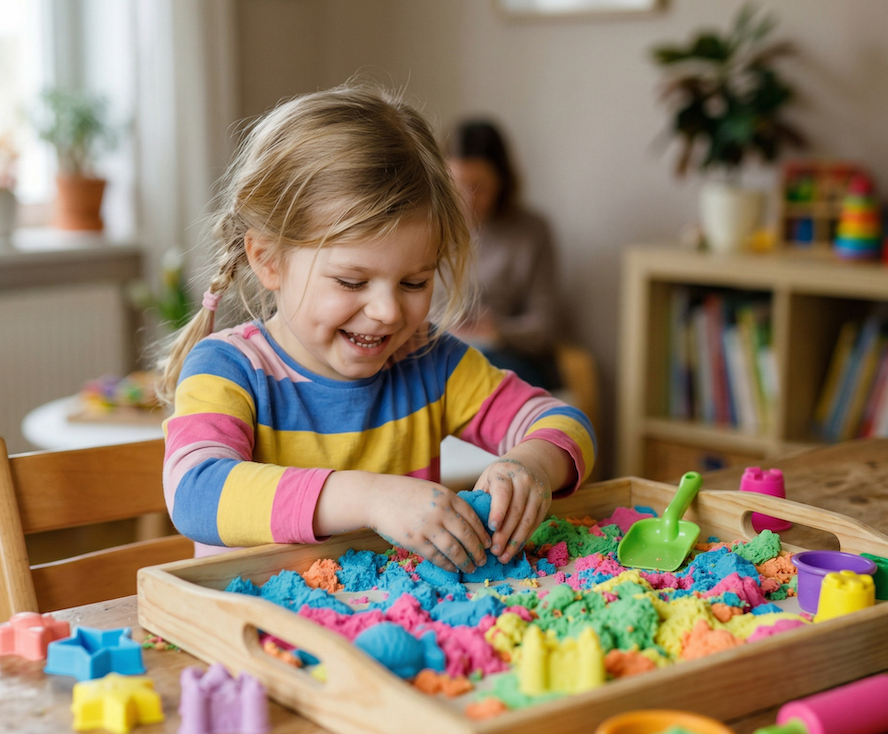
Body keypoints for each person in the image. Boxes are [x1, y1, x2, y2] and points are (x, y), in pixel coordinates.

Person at [156, 85, 595, 575]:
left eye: (415, 281)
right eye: (352, 281)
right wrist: (369, 497)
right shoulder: (229, 370)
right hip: (254, 631)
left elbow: (564, 423)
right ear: (268, 260)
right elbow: (196, 493)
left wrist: (530, 467)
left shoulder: (430, 362)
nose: (387, 311)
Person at [446, 120, 561, 390]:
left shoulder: (531, 232)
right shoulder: (428, 228)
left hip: (507, 359)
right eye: (459, 184)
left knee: (471, 366)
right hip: (439, 354)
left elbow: (544, 327)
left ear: (502, 181)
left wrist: (497, 330)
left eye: (479, 186)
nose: (468, 198)